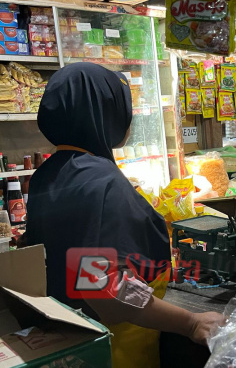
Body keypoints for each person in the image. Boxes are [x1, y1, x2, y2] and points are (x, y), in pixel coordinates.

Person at [24, 63, 225, 368]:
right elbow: (102, 287)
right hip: (117, 346)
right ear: (106, 113)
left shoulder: (45, 175)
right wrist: (190, 323)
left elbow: (64, 258)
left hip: (74, 341)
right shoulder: (103, 182)